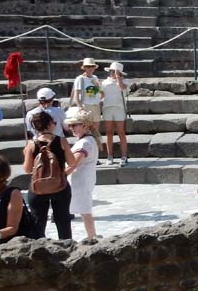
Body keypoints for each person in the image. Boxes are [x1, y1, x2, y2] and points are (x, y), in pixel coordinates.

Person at [22, 110, 76, 239]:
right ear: (50, 124)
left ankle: (39, 252)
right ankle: (67, 249)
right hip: (60, 185)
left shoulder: (31, 144)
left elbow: (27, 169)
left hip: (38, 187)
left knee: (38, 223)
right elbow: (72, 162)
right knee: (63, 221)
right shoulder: (61, 141)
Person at [65, 108, 98, 240]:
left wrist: (60, 176)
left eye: (74, 125)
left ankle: (92, 236)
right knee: (85, 210)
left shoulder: (85, 142)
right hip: (83, 179)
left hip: (81, 180)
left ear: (84, 125)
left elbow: (74, 163)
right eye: (70, 125)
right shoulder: (87, 140)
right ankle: (92, 236)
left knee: (85, 210)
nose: (71, 128)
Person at [100, 61, 129, 166]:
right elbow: (101, 95)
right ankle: (110, 156)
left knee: (121, 132)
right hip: (107, 108)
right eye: (111, 71)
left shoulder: (125, 81)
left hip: (119, 108)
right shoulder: (104, 82)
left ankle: (124, 156)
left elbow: (122, 88)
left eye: (115, 71)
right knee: (109, 133)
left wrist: (118, 78)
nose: (112, 73)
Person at [71, 58, 103, 143]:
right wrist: (80, 108)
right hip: (86, 106)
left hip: (95, 105)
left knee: (96, 131)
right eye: (88, 66)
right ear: (84, 67)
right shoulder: (80, 79)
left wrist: (99, 87)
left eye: (92, 66)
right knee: (85, 130)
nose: (90, 68)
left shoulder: (95, 77)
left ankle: (94, 151)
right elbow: (76, 95)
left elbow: (100, 92)